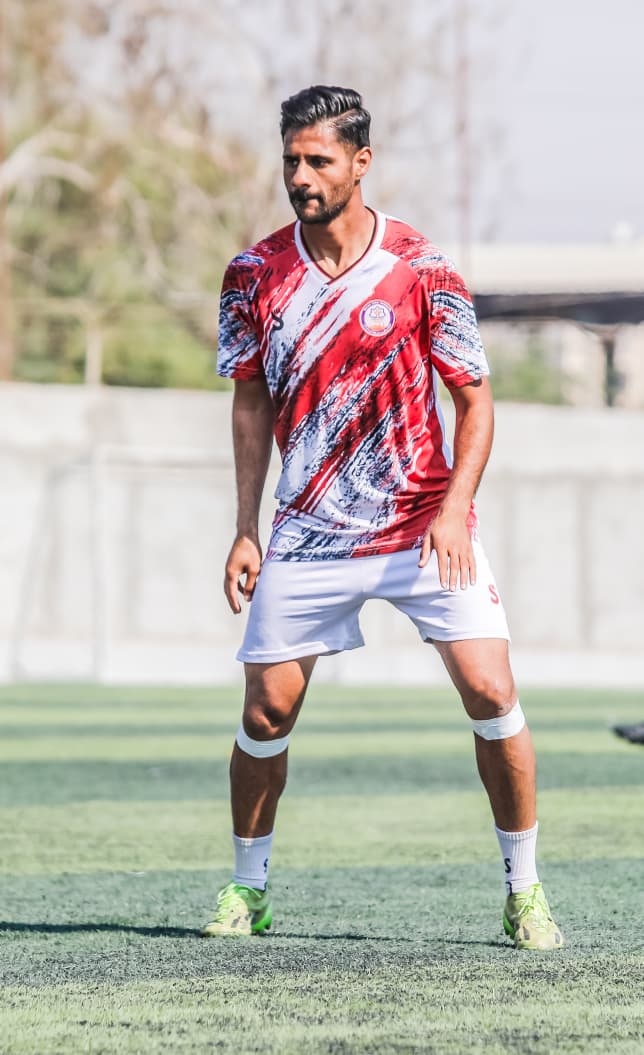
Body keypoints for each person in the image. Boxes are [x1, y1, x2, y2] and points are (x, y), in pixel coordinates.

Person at [203, 85, 563, 950]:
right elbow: (250, 402)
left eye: (318, 160)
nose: (300, 176)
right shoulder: (253, 274)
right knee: (265, 713)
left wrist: (455, 508)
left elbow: (475, 403)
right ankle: (248, 888)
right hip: (309, 530)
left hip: (420, 526)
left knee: (492, 691)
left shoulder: (423, 268)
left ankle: (525, 891)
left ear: (361, 163)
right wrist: (247, 525)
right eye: (291, 160)